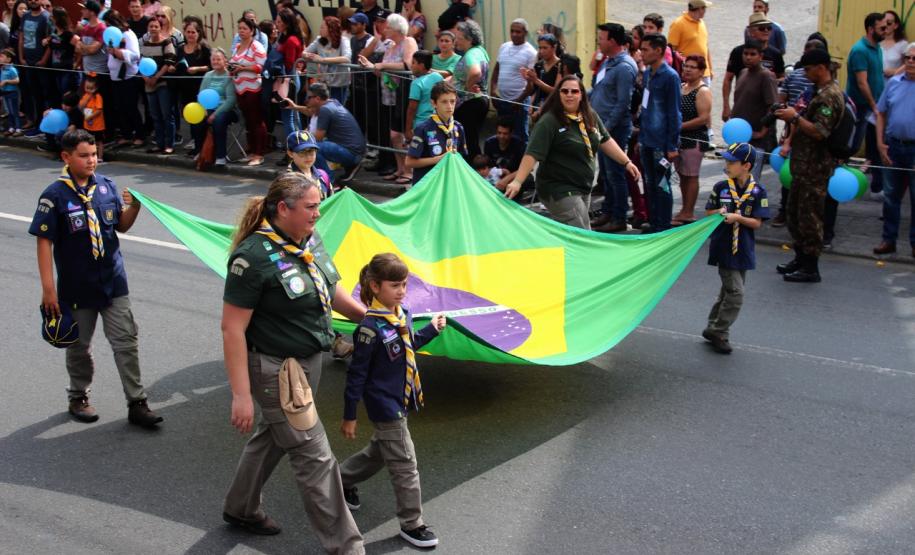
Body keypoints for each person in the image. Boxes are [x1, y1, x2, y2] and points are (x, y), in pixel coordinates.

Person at [220, 173, 365, 554]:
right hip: (277, 371)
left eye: (318, 205)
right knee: (315, 456)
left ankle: (240, 509)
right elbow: (232, 329)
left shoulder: (308, 239)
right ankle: (347, 548)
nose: (318, 213)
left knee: (273, 437)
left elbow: (330, 289)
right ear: (283, 209)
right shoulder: (251, 258)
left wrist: (369, 318)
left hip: (308, 361)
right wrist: (241, 395)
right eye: (311, 207)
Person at [29, 129, 163, 427]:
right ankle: (78, 395)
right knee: (79, 346)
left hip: (114, 281)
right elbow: (43, 241)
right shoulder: (54, 195)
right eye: (84, 156)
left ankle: (137, 402)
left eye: (94, 155)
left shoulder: (106, 187)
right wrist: (48, 289)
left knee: (126, 342)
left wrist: (135, 207)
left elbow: (121, 227)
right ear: (66, 157)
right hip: (78, 286)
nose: (92, 161)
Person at [340, 252, 445, 549]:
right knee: (405, 464)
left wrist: (432, 331)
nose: (402, 291)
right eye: (395, 285)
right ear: (375, 287)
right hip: (385, 406)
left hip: (403, 398)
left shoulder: (402, 315)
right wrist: (350, 416)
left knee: (378, 452)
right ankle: (412, 523)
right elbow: (356, 377)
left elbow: (408, 345)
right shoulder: (369, 329)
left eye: (404, 285)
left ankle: (338, 480)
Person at [506, 75, 639, 229]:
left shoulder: (590, 116)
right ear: (559, 94)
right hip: (559, 188)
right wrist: (517, 181)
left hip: (583, 186)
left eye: (574, 91)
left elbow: (605, 140)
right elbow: (532, 153)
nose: (569, 95)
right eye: (565, 91)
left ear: (582, 95)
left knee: (573, 235)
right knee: (582, 233)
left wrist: (627, 162)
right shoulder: (549, 121)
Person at [774, 48, 843, 283]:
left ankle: (811, 266)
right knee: (795, 213)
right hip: (802, 166)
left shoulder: (829, 97)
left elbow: (820, 132)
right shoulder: (816, 91)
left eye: (809, 69)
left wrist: (794, 117)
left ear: (822, 68)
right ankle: (800, 257)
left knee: (810, 216)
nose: (806, 74)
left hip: (816, 167)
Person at [701, 142, 769, 355]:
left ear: (746, 166)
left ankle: (712, 326)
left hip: (743, 248)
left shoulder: (758, 191)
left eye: (732, 162)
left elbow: (757, 222)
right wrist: (720, 213)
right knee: (736, 293)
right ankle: (720, 331)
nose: (727, 165)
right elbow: (708, 213)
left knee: (727, 292)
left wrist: (738, 217)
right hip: (723, 246)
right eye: (726, 161)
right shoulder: (721, 187)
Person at [358, 12, 416, 184]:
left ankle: (408, 170)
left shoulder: (408, 42)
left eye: (389, 27)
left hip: (403, 94)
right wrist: (373, 67)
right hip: (388, 95)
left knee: (400, 134)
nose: (385, 29)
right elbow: (382, 69)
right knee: (393, 135)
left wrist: (382, 65)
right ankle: (400, 168)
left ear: (397, 29)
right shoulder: (390, 45)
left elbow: (408, 64)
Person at [590, 22, 637, 233]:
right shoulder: (608, 63)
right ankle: (608, 210)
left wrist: (605, 129)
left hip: (613, 129)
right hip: (601, 127)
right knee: (606, 174)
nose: (598, 41)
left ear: (612, 41)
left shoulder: (624, 67)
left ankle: (619, 216)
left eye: (601, 38)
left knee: (615, 173)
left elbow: (622, 104)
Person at [873, 43, 915, 258]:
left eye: (914, 58)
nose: (910, 61)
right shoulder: (894, 83)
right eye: (907, 57)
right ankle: (889, 239)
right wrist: (880, 143)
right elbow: (881, 113)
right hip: (893, 145)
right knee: (891, 196)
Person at [638, 33, 681, 233]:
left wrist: (672, 145)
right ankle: (654, 221)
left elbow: (674, 113)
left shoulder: (670, 77)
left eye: (645, 49)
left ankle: (663, 225)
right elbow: (645, 107)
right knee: (649, 183)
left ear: (658, 50)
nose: (641, 53)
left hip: (661, 144)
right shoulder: (647, 74)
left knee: (662, 185)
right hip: (646, 139)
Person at [286, 82, 366, 183]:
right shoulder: (331, 102)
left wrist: (300, 139)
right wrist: (294, 107)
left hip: (352, 153)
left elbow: (318, 137)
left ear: (317, 98)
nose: (306, 100)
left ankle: (327, 182)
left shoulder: (325, 110)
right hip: (355, 151)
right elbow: (311, 112)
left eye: (309, 97)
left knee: (314, 148)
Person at [847, 12, 887, 196]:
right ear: (871, 29)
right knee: (852, 144)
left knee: (875, 146)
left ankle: (877, 186)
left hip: (875, 106)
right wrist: (873, 106)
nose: (886, 31)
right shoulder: (860, 50)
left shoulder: (877, 47)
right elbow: (862, 82)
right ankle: (840, 180)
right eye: (882, 28)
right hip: (862, 107)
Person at [729, 39, 778, 181]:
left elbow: (773, 107)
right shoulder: (743, 72)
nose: (748, 57)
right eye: (746, 53)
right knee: (734, 181)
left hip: (755, 141)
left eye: (753, 54)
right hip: (737, 138)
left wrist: (763, 131)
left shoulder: (766, 76)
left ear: (761, 56)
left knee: (749, 182)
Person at [722, 12, 785, 122]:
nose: (766, 31)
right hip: (742, 109)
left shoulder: (775, 54)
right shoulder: (738, 52)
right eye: (761, 28)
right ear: (750, 31)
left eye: (769, 28)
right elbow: (728, 79)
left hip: (764, 111)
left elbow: (783, 78)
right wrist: (726, 106)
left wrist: (769, 81)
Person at [405, 80, 466, 185]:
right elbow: (409, 162)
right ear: (433, 103)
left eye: (452, 101)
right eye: (444, 102)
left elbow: (462, 159)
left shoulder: (458, 128)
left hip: (448, 184)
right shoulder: (423, 129)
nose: (449, 106)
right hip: (427, 186)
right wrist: (437, 159)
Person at [674, 55, 711, 224]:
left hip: (695, 139)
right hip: (680, 139)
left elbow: (703, 118)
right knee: (682, 175)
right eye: (685, 66)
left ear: (701, 71)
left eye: (692, 67)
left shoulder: (702, 91)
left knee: (691, 175)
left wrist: (681, 126)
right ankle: (684, 209)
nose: (687, 69)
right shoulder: (682, 87)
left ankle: (689, 211)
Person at [490, 18, 536, 142]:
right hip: (502, 100)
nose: (514, 34)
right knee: (503, 136)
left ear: (525, 33)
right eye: (512, 31)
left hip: (519, 103)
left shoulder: (531, 52)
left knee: (520, 136)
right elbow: (496, 70)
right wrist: (493, 92)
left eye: (518, 32)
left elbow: (531, 84)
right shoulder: (504, 47)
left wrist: (518, 101)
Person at [229, 16, 267, 166]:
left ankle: (259, 153)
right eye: (239, 28)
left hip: (253, 88)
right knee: (248, 121)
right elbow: (233, 62)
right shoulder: (238, 46)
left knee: (256, 121)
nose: (241, 31)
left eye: (245, 29)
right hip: (239, 88)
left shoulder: (256, 46)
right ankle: (251, 151)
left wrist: (243, 68)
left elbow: (261, 67)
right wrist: (231, 68)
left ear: (252, 31)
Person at [190, 48, 237, 167]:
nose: (215, 62)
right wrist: (204, 110)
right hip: (209, 108)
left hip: (226, 110)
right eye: (213, 59)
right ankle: (201, 151)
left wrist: (215, 114)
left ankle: (220, 156)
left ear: (225, 61)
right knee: (197, 120)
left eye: (218, 59)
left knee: (218, 121)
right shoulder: (208, 75)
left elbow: (230, 100)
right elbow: (201, 95)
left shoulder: (229, 76)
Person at [104, 10, 144, 149]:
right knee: (120, 107)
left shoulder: (128, 34)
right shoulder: (112, 36)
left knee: (131, 107)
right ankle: (126, 134)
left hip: (128, 76)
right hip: (115, 76)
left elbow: (135, 55)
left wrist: (117, 52)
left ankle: (139, 135)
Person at [140, 15, 176, 155]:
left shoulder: (166, 42)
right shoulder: (146, 44)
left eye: (156, 26)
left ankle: (169, 144)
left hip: (163, 84)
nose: (153, 29)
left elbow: (169, 62)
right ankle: (159, 144)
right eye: (151, 26)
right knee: (155, 115)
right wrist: (145, 78)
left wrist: (156, 77)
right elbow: (141, 64)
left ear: (161, 28)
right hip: (149, 84)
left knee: (167, 114)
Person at [452, 19, 488, 157]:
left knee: (468, 143)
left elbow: (475, 72)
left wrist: (466, 88)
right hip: (478, 100)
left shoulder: (471, 54)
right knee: (472, 140)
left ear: (470, 39)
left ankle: (473, 172)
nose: (456, 41)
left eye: (459, 38)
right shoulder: (480, 51)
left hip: (470, 103)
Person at [273, 9, 303, 154]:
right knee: (294, 116)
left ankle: (293, 151)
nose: (276, 24)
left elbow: (290, 63)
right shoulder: (284, 37)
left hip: (288, 81)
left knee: (288, 117)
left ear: (286, 23)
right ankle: (300, 147)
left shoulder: (291, 40)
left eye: (279, 22)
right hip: (287, 79)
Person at [303, 16, 351, 106]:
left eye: (322, 27)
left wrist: (323, 60)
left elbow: (347, 58)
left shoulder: (344, 41)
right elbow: (305, 52)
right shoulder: (319, 40)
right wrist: (307, 56)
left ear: (331, 28)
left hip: (339, 85)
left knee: (335, 111)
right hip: (323, 84)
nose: (320, 29)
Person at [17, 0, 50, 129]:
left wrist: (43, 60)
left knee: (44, 94)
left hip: (40, 63)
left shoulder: (46, 17)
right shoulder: (25, 16)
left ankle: (44, 124)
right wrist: (21, 57)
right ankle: (34, 121)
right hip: (27, 62)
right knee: (32, 93)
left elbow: (50, 41)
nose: (33, 1)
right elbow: (21, 37)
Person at [668, 0, 712, 81]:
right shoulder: (678, 24)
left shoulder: (702, 23)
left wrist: (710, 70)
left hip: (704, 74)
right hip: (687, 74)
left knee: (705, 94)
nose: (705, 11)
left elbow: (706, 47)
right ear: (699, 9)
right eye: (704, 8)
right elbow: (671, 51)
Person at [405, 49, 442, 139]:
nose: (411, 66)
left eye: (413, 63)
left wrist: (408, 130)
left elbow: (412, 108)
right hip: (439, 122)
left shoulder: (416, 83)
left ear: (421, 66)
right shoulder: (438, 77)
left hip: (421, 125)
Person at [483, 116, 526, 193]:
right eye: (499, 133)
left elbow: (525, 168)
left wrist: (507, 178)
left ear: (511, 133)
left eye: (505, 134)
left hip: (513, 178)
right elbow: (486, 165)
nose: (501, 136)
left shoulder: (519, 145)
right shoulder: (489, 143)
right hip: (494, 177)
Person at [285, 129, 333, 198]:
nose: (308, 156)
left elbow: (331, 202)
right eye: (302, 152)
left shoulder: (323, 176)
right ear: (290, 153)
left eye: (311, 151)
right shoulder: (287, 181)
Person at [524, 32, 561, 114]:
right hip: (537, 109)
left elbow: (556, 91)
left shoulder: (560, 65)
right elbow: (533, 90)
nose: (541, 51)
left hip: (553, 110)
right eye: (540, 48)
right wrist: (529, 80)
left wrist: (536, 80)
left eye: (545, 48)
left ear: (554, 48)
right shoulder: (538, 65)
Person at [47, 6, 77, 105]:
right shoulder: (55, 32)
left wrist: (76, 63)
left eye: (52, 16)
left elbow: (78, 47)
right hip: (56, 68)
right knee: (60, 92)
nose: (50, 18)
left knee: (66, 94)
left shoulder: (68, 34)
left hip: (66, 69)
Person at [79, 74, 106, 162]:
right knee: (88, 141)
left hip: (97, 124)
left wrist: (90, 116)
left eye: (91, 88)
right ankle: (90, 155)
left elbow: (99, 110)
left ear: (96, 88)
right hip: (88, 124)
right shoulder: (85, 96)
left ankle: (100, 156)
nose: (89, 90)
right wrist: (86, 99)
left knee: (99, 141)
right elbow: (80, 107)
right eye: (87, 88)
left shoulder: (98, 97)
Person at [881, 10, 908, 81]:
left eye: (889, 23)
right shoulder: (875, 43)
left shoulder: (902, 44)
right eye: (883, 22)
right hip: (875, 84)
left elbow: (908, 65)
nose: (885, 25)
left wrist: (895, 71)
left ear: (896, 26)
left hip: (894, 83)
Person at [0, 47, 21, 135]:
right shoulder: (2, 68)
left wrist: (6, 81)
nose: (0, 58)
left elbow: (17, 80)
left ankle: (18, 129)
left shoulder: (12, 69)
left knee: (14, 111)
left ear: (8, 59)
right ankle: (11, 127)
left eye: (2, 57)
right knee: (9, 111)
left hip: (12, 93)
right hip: (5, 93)